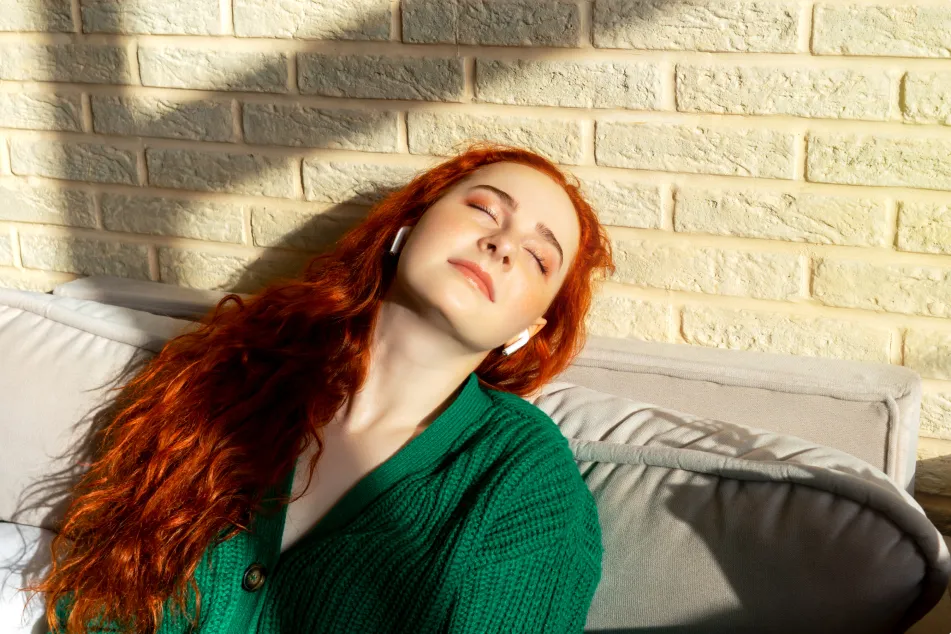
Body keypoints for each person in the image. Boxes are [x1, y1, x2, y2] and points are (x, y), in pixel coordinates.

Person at [26, 141, 616, 634]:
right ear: (406, 231)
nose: (503, 244)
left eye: (539, 257)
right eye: (485, 210)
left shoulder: (527, 485)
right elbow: (101, 601)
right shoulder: (242, 377)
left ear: (526, 331)